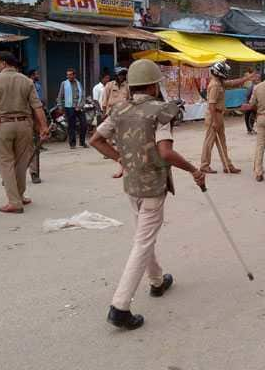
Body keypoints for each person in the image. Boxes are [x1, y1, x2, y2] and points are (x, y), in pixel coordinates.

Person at [89, 59, 206, 330]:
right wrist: (193, 170)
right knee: (142, 242)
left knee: (144, 236)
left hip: (132, 185)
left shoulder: (119, 109)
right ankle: (120, 306)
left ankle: (156, 281)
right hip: (153, 185)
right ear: (154, 85)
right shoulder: (161, 111)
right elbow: (165, 152)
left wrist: (121, 160)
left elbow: (95, 140)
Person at [0, 51, 49, 213]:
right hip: (24, 125)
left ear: (4, 63)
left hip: (2, 125)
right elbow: (37, 106)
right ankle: (19, 195)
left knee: (6, 163)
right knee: (21, 162)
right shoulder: (27, 81)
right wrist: (43, 127)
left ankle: (14, 201)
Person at [200, 62, 256, 174]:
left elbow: (232, 83)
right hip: (214, 116)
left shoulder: (219, 82)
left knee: (222, 142)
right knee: (209, 142)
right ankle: (204, 165)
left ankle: (227, 165)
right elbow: (211, 105)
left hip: (218, 115)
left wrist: (247, 78)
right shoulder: (215, 85)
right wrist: (215, 121)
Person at [102, 67, 130, 179]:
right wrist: (104, 112)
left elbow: (130, 99)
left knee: (121, 140)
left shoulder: (127, 86)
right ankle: (109, 153)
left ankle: (122, 165)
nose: (121, 77)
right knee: (107, 136)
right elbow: (104, 100)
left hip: (124, 115)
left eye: (123, 75)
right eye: (120, 75)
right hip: (111, 114)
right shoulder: (109, 85)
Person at [57, 68, 86, 149]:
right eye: (67, 75)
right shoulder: (64, 83)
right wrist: (60, 106)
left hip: (79, 107)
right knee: (71, 126)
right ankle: (72, 144)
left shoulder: (78, 83)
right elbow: (60, 96)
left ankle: (82, 142)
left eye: (70, 74)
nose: (68, 76)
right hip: (69, 107)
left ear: (74, 75)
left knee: (84, 124)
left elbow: (83, 96)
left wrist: (80, 106)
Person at [28, 69, 45, 184]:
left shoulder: (37, 86)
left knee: (34, 146)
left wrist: (42, 124)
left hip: (34, 116)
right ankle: (10, 176)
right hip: (24, 117)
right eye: (37, 74)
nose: (38, 75)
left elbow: (39, 104)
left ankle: (34, 173)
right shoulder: (26, 84)